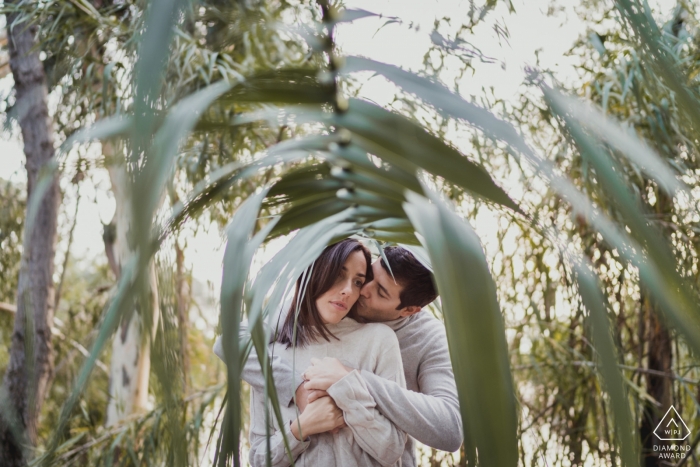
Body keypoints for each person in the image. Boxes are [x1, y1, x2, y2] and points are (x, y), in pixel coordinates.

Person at [215, 245, 462, 466]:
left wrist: (354, 380)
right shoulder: (314, 309)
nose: (361, 290)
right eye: (368, 277)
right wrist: (296, 388)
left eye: (381, 292)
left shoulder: (426, 338)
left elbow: (449, 429)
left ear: (408, 311)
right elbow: (232, 342)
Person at [243, 239, 407, 467]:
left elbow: (392, 450)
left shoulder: (379, 340)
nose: (348, 290)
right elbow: (259, 459)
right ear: (315, 272)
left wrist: (348, 396)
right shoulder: (272, 356)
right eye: (339, 275)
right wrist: (301, 429)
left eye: (358, 282)